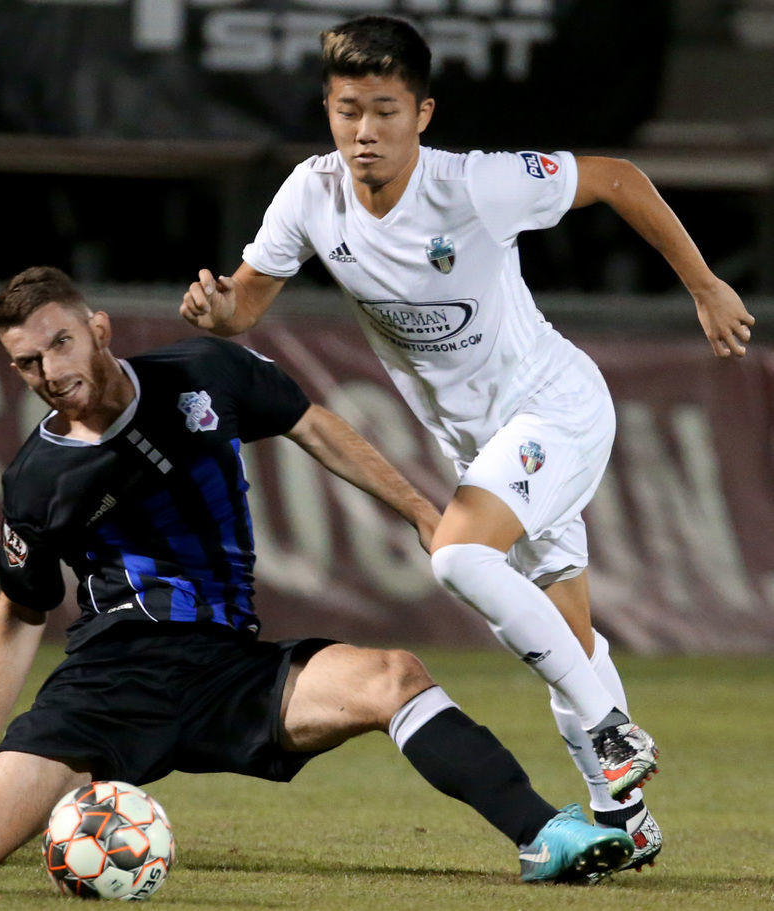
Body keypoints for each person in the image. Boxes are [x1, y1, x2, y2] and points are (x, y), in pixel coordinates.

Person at [0, 265, 635, 884]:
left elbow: (312, 424)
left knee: (392, 676)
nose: (51, 373)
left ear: (97, 327)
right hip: (115, 678)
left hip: (230, 664)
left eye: (60, 344)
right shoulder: (36, 479)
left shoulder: (204, 376)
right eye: (28, 364)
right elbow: (22, 605)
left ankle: (543, 833)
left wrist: (417, 510)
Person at [181, 15, 754, 875]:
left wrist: (705, 286)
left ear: (423, 115)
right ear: (328, 111)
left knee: (455, 556)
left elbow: (619, 178)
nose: (363, 131)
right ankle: (622, 814)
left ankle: (609, 725)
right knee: (567, 631)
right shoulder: (310, 193)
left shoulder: (476, 185)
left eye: (383, 110)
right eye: (346, 111)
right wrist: (221, 313)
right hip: (485, 445)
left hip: (554, 411)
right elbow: (249, 301)